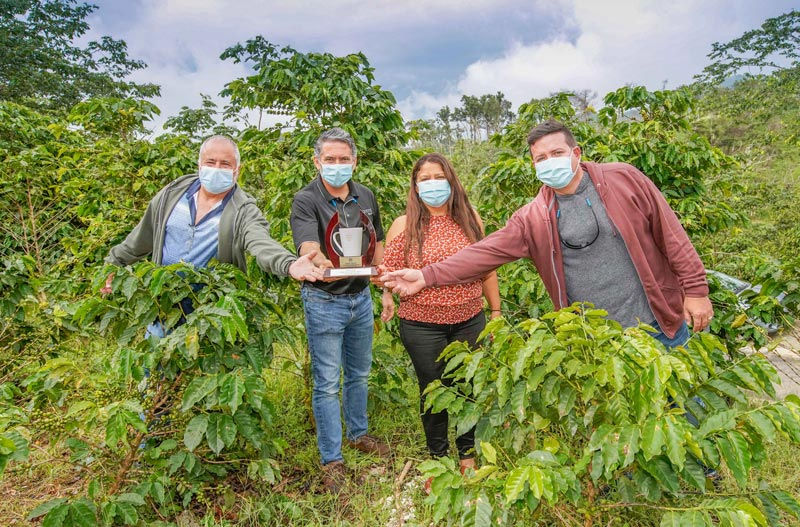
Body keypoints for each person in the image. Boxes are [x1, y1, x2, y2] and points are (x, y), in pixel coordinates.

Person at [383, 119, 714, 350]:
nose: (549, 161)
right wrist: (426, 276)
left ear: (576, 153)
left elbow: (672, 236)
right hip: (595, 338)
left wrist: (696, 290)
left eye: (557, 153)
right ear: (534, 165)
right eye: (540, 158)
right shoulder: (533, 217)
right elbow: (483, 253)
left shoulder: (624, 179)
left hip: (659, 323)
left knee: (687, 413)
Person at [380, 153, 501, 493]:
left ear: (452, 180)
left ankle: (467, 458)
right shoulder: (404, 225)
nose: (433, 184)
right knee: (433, 391)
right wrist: (386, 293)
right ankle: (438, 459)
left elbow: (487, 268)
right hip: (421, 324)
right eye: (425, 178)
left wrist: (495, 312)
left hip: (469, 320)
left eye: (439, 176)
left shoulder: (469, 218)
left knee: (467, 388)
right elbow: (388, 272)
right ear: (415, 186)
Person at [102, 134, 323, 319]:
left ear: (237, 170)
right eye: (210, 162)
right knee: (158, 367)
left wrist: (289, 264)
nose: (217, 168)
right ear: (199, 164)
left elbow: (260, 242)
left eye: (225, 164)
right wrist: (112, 266)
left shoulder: (243, 209)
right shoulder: (172, 194)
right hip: (162, 301)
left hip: (211, 307)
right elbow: (140, 240)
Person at [290, 127, 389, 492]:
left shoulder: (365, 195)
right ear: (317, 162)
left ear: (354, 161)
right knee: (328, 382)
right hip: (324, 300)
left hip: (360, 298)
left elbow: (376, 240)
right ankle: (332, 459)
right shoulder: (306, 199)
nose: (336, 165)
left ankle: (358, 434)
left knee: (359, 374)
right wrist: (314, 259)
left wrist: (383, 278)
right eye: (329, 160)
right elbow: (307, 245)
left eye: (343, 159)